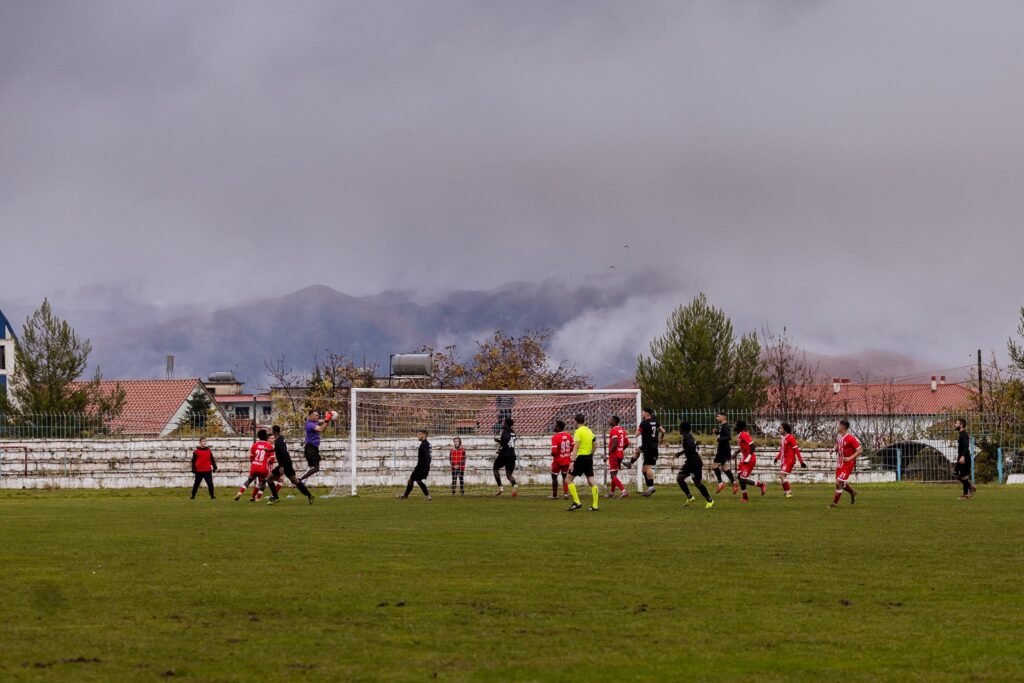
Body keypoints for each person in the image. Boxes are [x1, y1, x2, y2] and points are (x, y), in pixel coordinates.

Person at [265, 425, 314, 505]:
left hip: (284, 464)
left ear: (273, 431)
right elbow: (279, 449)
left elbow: (284, 452)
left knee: (269, 478)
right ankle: (309, 495)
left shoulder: (278, 441)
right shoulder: (281, 438)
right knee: (295, 481)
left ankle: (275, 498)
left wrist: (282, 466)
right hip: (287, 463)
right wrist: (270, 450)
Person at [675, 421, 713, 508]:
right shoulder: (688, 436)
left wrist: (680, 453)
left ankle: (709, 500)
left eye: (680, 428)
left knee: (697, 483)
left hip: (695, 463)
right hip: (689, 462)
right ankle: (690, 497)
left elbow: (692, 446)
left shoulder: (687, 436)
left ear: (682, 429)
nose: (679, 429)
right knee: (680, 478)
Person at [566, 413, 599, 511]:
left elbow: (576, 447)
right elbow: (595, 445)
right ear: (584, 421)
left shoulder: (578, 432)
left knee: (568, 479)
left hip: (581, 458)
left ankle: (577, 502)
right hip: (588, 458)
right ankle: (595, 505)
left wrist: (572, 461)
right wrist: (591, 454)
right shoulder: (589, 431)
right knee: (591, 481)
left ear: (575, 421)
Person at [629, 407, 664, 497]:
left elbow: (637, 434)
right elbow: (663, 431)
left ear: (647, 413)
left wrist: (637, 430)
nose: (642, 414)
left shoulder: (644, 423)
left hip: (648, 447)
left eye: (643, 412)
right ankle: (649, 487)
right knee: (643, 468)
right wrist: (661, 439)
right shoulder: (655, 421)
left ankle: (651, 487)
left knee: (648, 468)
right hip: (652, 446)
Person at [235, 429, 275, 502]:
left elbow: (251, 458)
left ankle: (240, 492)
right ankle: (257, 498)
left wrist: (255, 463)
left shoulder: (254, 445)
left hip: (254, 466)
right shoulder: (269, 446)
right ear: (266, 436)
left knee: (249, 480)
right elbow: (272, 460)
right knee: (263, 482)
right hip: (263, 467)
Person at [831, 420, 862, 508]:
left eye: (839, 425)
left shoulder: (851, 438)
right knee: (841, 484)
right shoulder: (839, 436)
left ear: (843, 427)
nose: (837, 427)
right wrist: (833, 449)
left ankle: (834, 504)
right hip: (840, 463)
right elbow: (838, 444)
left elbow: (860, 450)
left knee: (838, 482)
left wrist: (850, 458)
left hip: (848, 464)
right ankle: (853, 492)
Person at [734, 420, 766, 502]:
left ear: (739, 427)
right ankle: (745, 498)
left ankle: (761, 484)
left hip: (749, 460)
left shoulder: (744, 434)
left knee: (742, 479)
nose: (734, 426)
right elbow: (744, 446)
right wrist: (736, 453)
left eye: (735, 425)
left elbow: (753, 446)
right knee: (739, 477)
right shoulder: (739, 435)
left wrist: (748, 458)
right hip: (744, 459)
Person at [774, 422, 806, 498]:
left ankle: (789, 493)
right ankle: (786, 492)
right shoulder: (782, 438)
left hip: (789, 460)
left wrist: (801, 462)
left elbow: (796, 450)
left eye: (781, 428)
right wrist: (777, 458)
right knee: (782, 476)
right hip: (784, 460)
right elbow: (782, 450)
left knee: (782, 475)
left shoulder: (791, 438)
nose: (779, 429)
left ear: (785, 429)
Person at [397, 429, 432, 500]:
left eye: (419, 434)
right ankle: (407, 495)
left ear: (424, 435)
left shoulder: (424, 445)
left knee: (412, 480)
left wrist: (426, 466)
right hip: (421, 466)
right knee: (416, 480)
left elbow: (428, 457)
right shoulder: (426, 444)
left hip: (421, 466)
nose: (418, 436)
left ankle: (427, 496)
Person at [493, 417, 519, 497]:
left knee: (495, 469)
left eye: (503, 423)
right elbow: (508, 443)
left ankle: (500, 487)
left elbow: (505, 444)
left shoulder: (504, 432)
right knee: (508, 474)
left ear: (506, 424)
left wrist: (499, 450)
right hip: (512, 455)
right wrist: (498, 441)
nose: (502, 424)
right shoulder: (513, 432)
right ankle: (514, 485)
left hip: (504, 455)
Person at [712, 411, 736, 493]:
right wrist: (717, 433)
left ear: (723, 417)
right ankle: (734, 483)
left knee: (714, 466)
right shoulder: (722, 426)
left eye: (718, 416)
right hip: (724, 449)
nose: (717, 418)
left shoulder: (725, 426)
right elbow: (723, 435)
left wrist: (719, 439)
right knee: (725, 467)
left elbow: (729, 437)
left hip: (723, 449)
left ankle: (720, 483)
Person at [549, 420, 574, 500]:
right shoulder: (569, 436)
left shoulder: (555, 437)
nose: (554, 427)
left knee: (554, 477)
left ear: (558, 427)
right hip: (567, 459)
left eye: (555, 425)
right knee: (565, 477)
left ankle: (555, 495)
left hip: (558, 460)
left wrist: (552, 454)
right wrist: (567, 453)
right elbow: (573, 447)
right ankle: (566, 494)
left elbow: (554, 451)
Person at [300, 409, 326, 483]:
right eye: (316, 415)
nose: (318, 416)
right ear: (311, 416)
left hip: (312, 447)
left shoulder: (313, 422)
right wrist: (327, 421)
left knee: (311, 467)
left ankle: (302, 481)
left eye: (318, 415)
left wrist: (329, 418)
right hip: (310, 448)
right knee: (316, 467)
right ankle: (300, 479)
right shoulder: (310, 425)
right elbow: (321, 429)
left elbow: (321, 421)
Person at [606, 415, 629, 498]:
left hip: (614, 455)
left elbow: (615, 443)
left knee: (613, 475)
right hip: (620, 454)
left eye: (611, 420)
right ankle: (611, 493)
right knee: (614, 474)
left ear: (615, 421)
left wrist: (608, 454)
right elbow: (627, 443)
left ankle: (623, 491)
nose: (609, 421)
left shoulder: (614, 430)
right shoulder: (622, 430)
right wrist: (621, 449)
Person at [954, 418, 976, 500]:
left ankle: (966, 494)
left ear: (961, 425)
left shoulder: (964, 434)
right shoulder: (961, 434)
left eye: (956, 423)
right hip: (961, 456)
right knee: (957, 474)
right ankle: (970, 487)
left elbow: (966, 446)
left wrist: (963, 456)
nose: (955, 425)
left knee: (964, 476)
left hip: (964, 457)